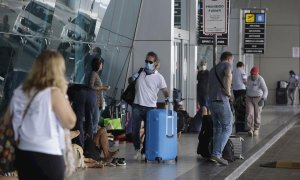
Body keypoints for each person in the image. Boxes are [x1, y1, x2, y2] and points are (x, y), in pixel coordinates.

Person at [3, 50, 76, 180]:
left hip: (24, 155)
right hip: (48, 155)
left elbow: (6, 120)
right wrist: (63, 94)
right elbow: (70, 121)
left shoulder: (20, 92)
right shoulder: (53, 93)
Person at [132, 51, 170, 159]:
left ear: (155, 63)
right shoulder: (140, 72)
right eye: (146, 61)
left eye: (150, 61)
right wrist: (133, 77)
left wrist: (168, 98)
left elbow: (165, 90)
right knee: (135, 130)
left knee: (149, 131)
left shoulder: (159, 77)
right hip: (137, 105)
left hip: (151, 107)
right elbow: (130, 81)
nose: (147, 63)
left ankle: (144, 151)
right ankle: (137, 147)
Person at [208, 51, 234, 166]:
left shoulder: (213, 69)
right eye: (232, 60)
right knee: (228, 127)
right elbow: (228, 75)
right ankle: (217, 154)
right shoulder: (227, 65)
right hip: (222, 100)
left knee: (218, 128)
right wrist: (228, 92)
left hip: (212, 101)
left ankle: (215, 153)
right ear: (229, 59)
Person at [86, 57, 110, 134]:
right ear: (98, 65)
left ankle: (93, 137)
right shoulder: (93, 74)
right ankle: (90, 138)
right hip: (94, 101)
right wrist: (103, 87)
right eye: (101, 63)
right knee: (95, 120)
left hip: (97, 101)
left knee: (96, 120)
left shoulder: (96, 74)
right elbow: (91, 86)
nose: (102, 65)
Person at [245, 66, 268, 136]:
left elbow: (265, 90)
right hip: (249, 97)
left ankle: (256, 128)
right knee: (249, 113)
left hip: (258, 98)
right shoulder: (248, 78)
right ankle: (250, 129)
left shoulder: (260, 79)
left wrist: (263, 99)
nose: (252, 75)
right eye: (251, 74)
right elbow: (247, 87)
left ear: (257, 73)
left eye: (254, 74)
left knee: (257, 114)